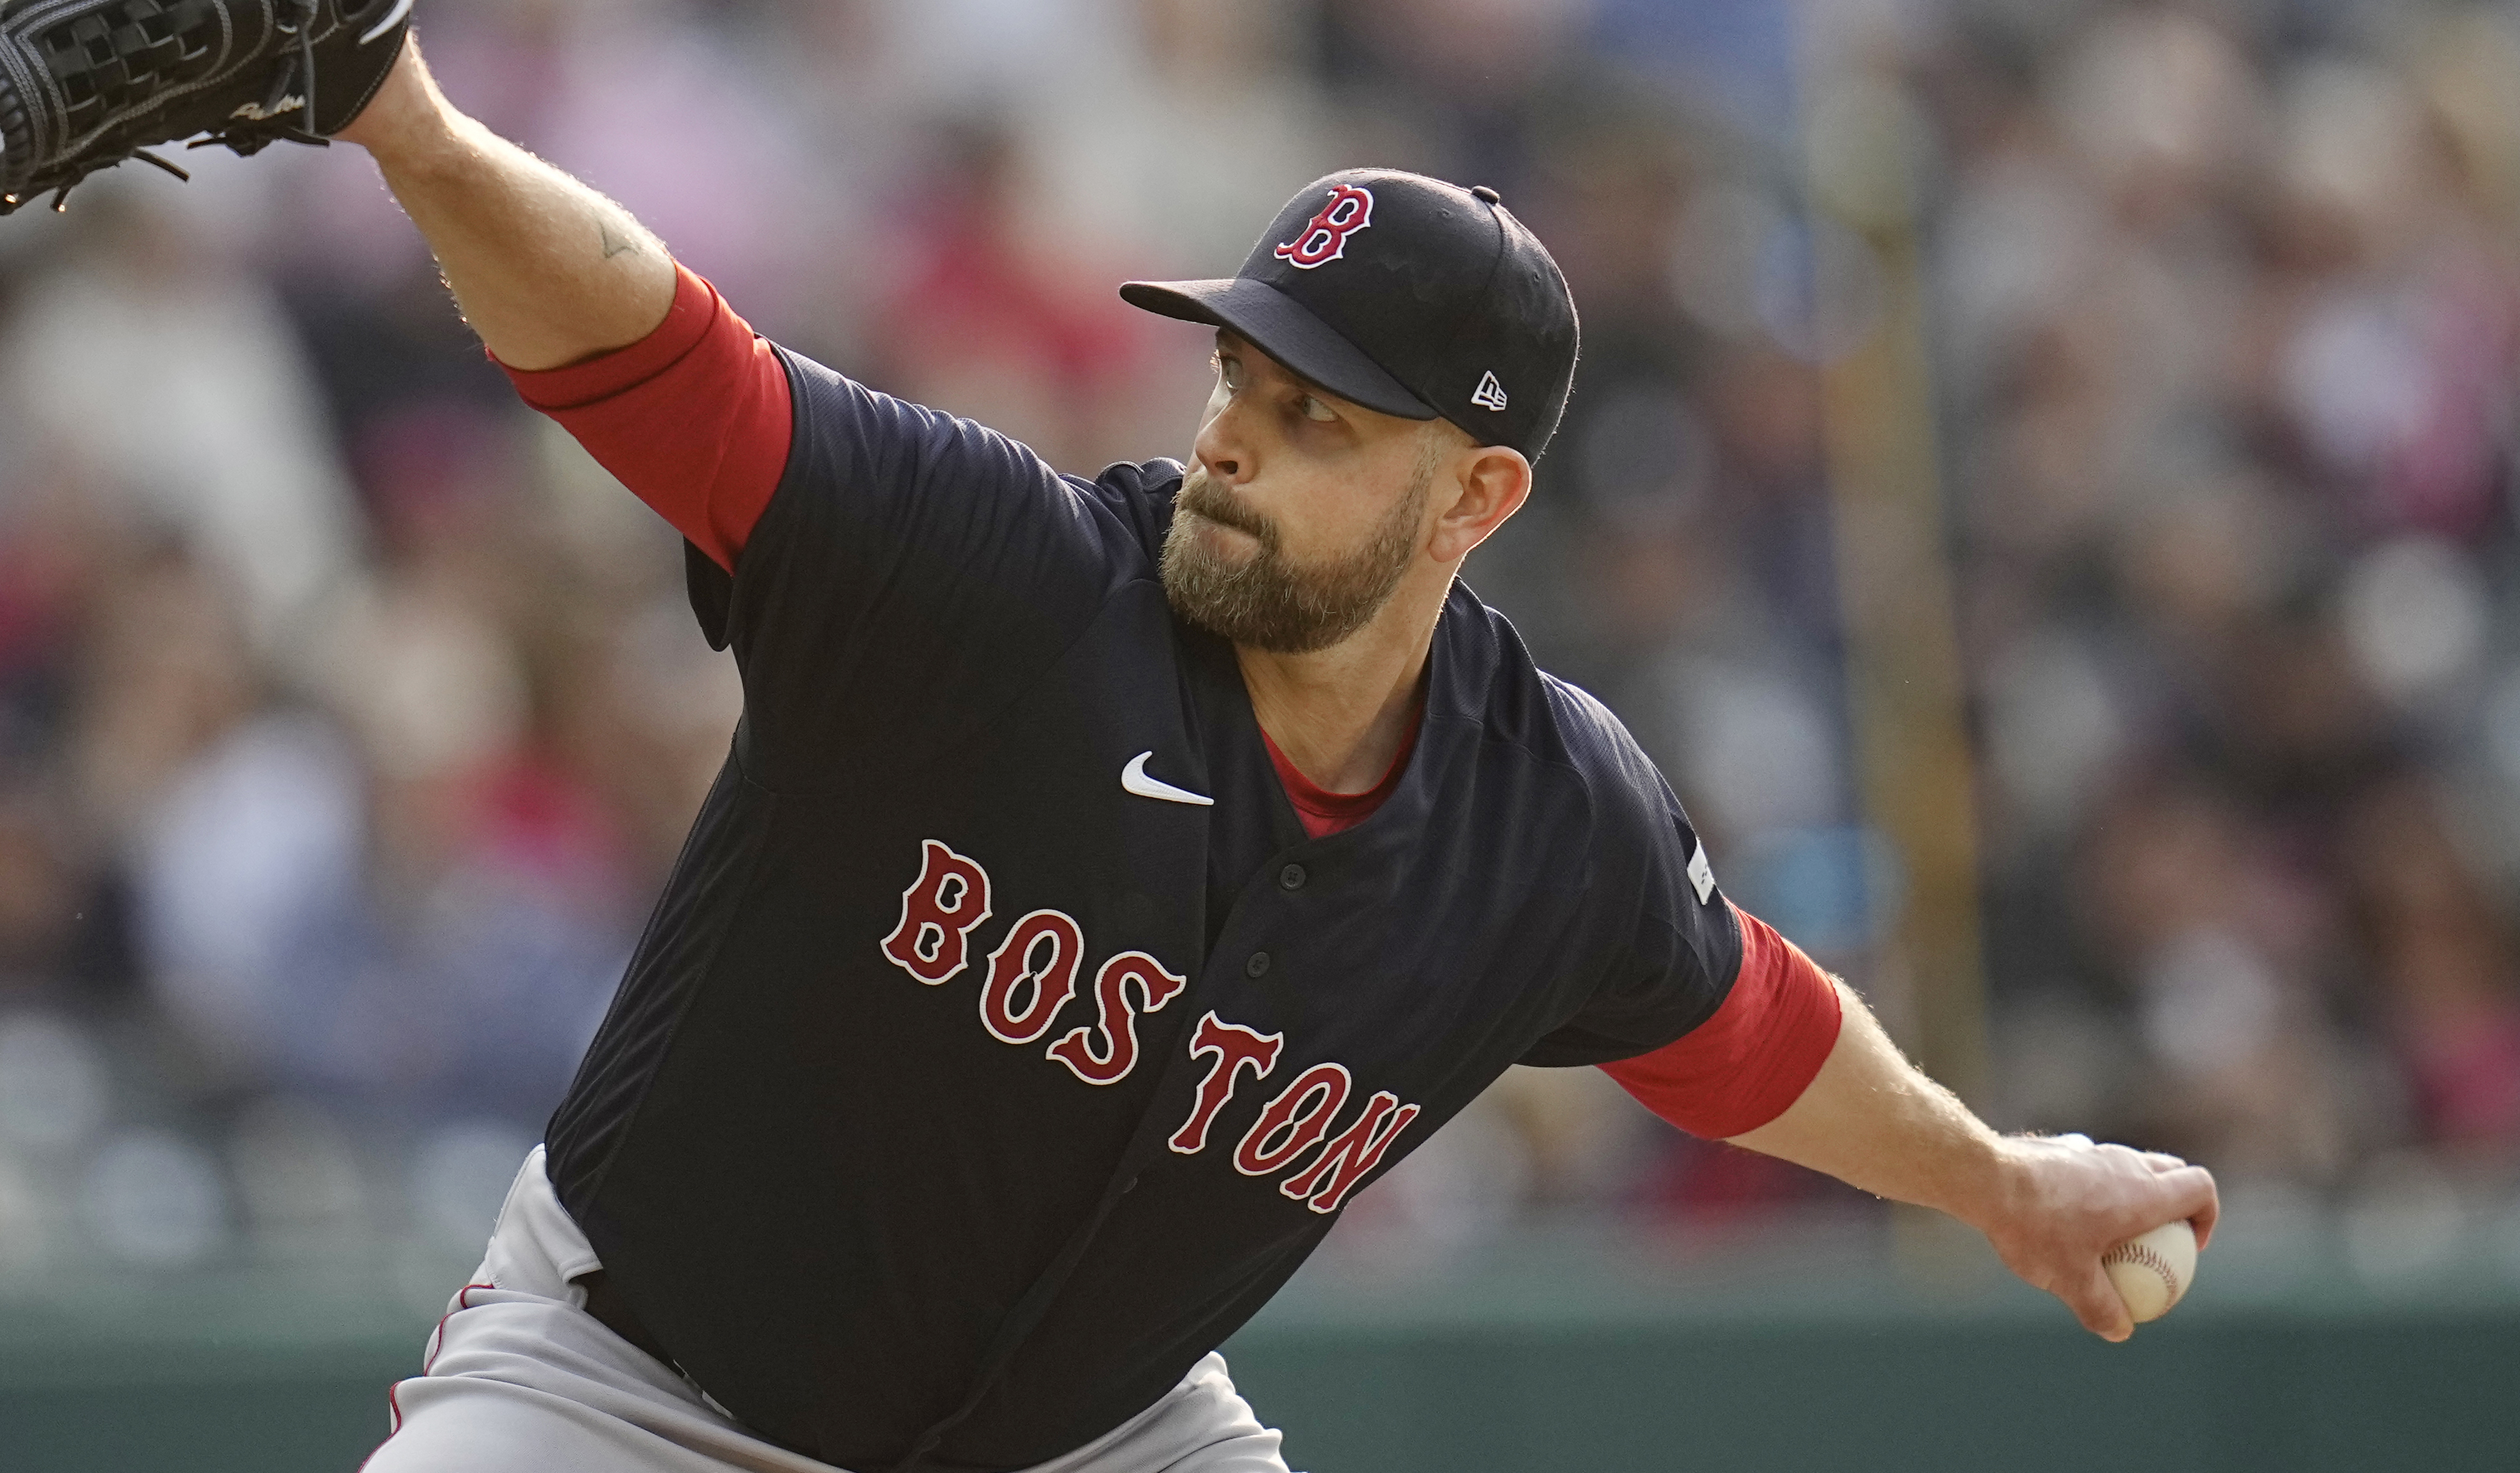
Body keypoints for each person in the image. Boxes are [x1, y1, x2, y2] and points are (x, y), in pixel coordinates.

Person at [333, 33, 2218, 1473]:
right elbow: (676, 366)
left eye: (1314, 415)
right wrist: (404, 120)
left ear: (1473, 494)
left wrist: (1997, 1181)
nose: (1232, 434)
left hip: (1095, 1439)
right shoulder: (1010, 583)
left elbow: (1748, 1033)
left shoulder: (1543, 819)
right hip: (639, 1385)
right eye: (1236, 371)